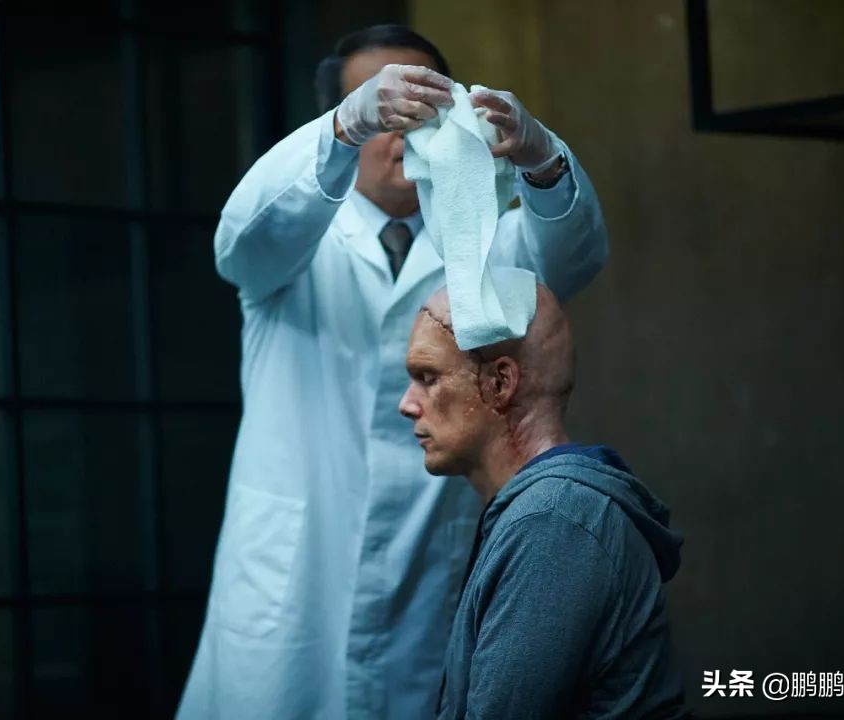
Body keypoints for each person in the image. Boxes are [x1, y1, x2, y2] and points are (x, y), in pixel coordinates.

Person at [177, 24, 610, 719]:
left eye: (427, 102)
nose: (406, 128)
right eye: (385, 108)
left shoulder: (485, 238)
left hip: (427, 563)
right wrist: (343, 128)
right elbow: (242, 242)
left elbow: (574, 258)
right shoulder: (297, 240)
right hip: (296, 580)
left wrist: (543, 160)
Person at [398, 284, 687, 719]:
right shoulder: (544, 512)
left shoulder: (555, 522)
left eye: (428, 378)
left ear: (499, 383)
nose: (406, 404)